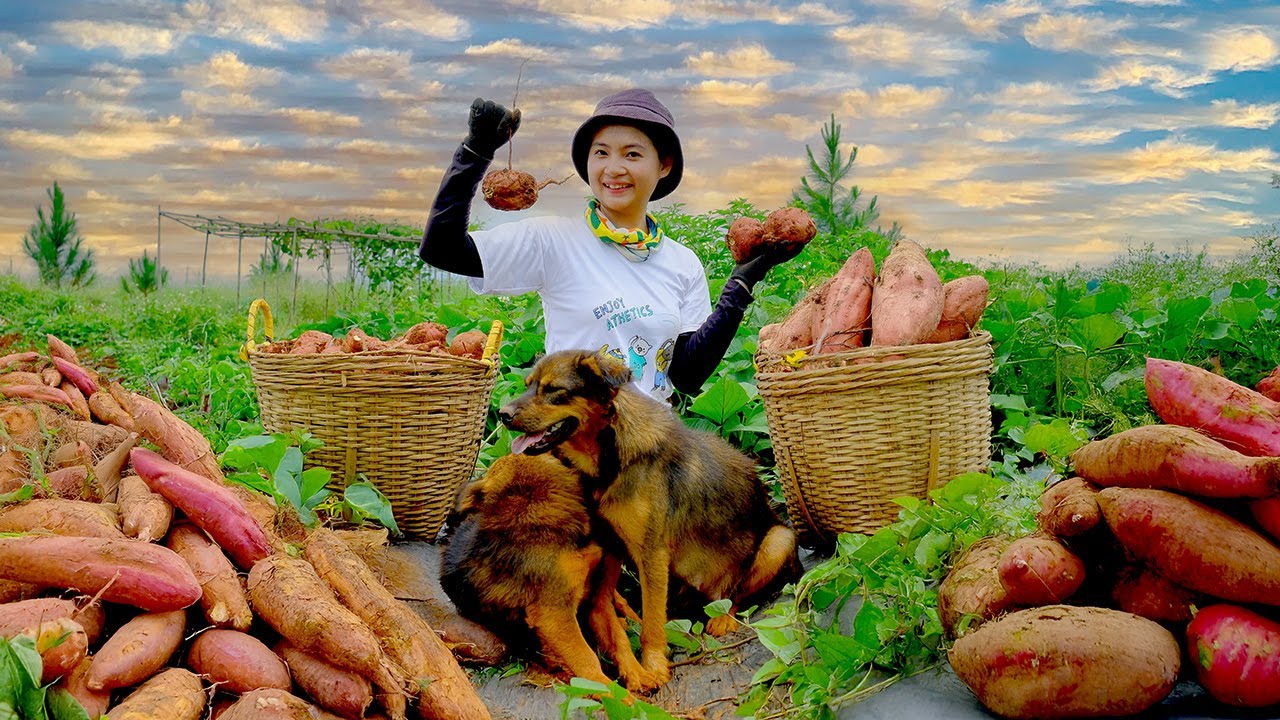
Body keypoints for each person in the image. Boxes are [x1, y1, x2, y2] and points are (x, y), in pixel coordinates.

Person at [419, 88, 801, 402]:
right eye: (601, 153)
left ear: (663, 164)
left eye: (632, 154)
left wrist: (740, 286)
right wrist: (475, 152)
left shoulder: (682, 263)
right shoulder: (554, 240)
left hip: (649, 451)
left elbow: (687, 374)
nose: (613, 168)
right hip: (569, 448)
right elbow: (443, 249)